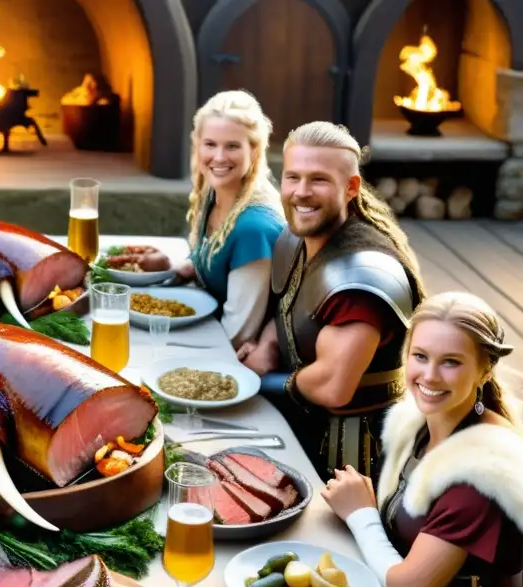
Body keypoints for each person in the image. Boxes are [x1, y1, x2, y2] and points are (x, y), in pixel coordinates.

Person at [322, 292, 523, 587]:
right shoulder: (420, 424)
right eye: (420, 356)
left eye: (451, 362)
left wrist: (361, 514)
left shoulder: (480, 473)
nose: (429, 377)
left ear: (485, 370)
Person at [239, 120, 426, 483]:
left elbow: (333, 386)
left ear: (351, 187)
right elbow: (290, 302)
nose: (301, 192)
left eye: (319, 180)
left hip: (351, 457)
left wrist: (255, 384)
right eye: (293, 177)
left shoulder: (361, 276)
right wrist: (267, 343)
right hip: (297, 420)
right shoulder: (296, 237)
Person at [176, 90, 285, 349]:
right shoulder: (214, 193)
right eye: (210, 144)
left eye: (233, 146)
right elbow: (213, 257)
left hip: (230, 355)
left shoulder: (254, 228)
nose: (219, 157)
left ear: (255, 151)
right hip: (207, 326)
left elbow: (237, 335)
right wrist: (179, 267)